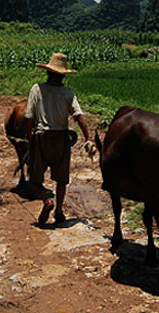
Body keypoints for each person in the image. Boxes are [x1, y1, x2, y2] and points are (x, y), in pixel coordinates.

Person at [25, 52, 94, 225]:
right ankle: (59, 212)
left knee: (34, 179)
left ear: (48, 72)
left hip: (42, 137)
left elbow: (29, 117)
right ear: (63, 76)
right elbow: (79, 116)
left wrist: (29, 136)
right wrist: (88, 138)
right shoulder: (67, 93)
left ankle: (46, 200)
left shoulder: (36, 89)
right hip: (62, 139)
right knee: (62, 180)